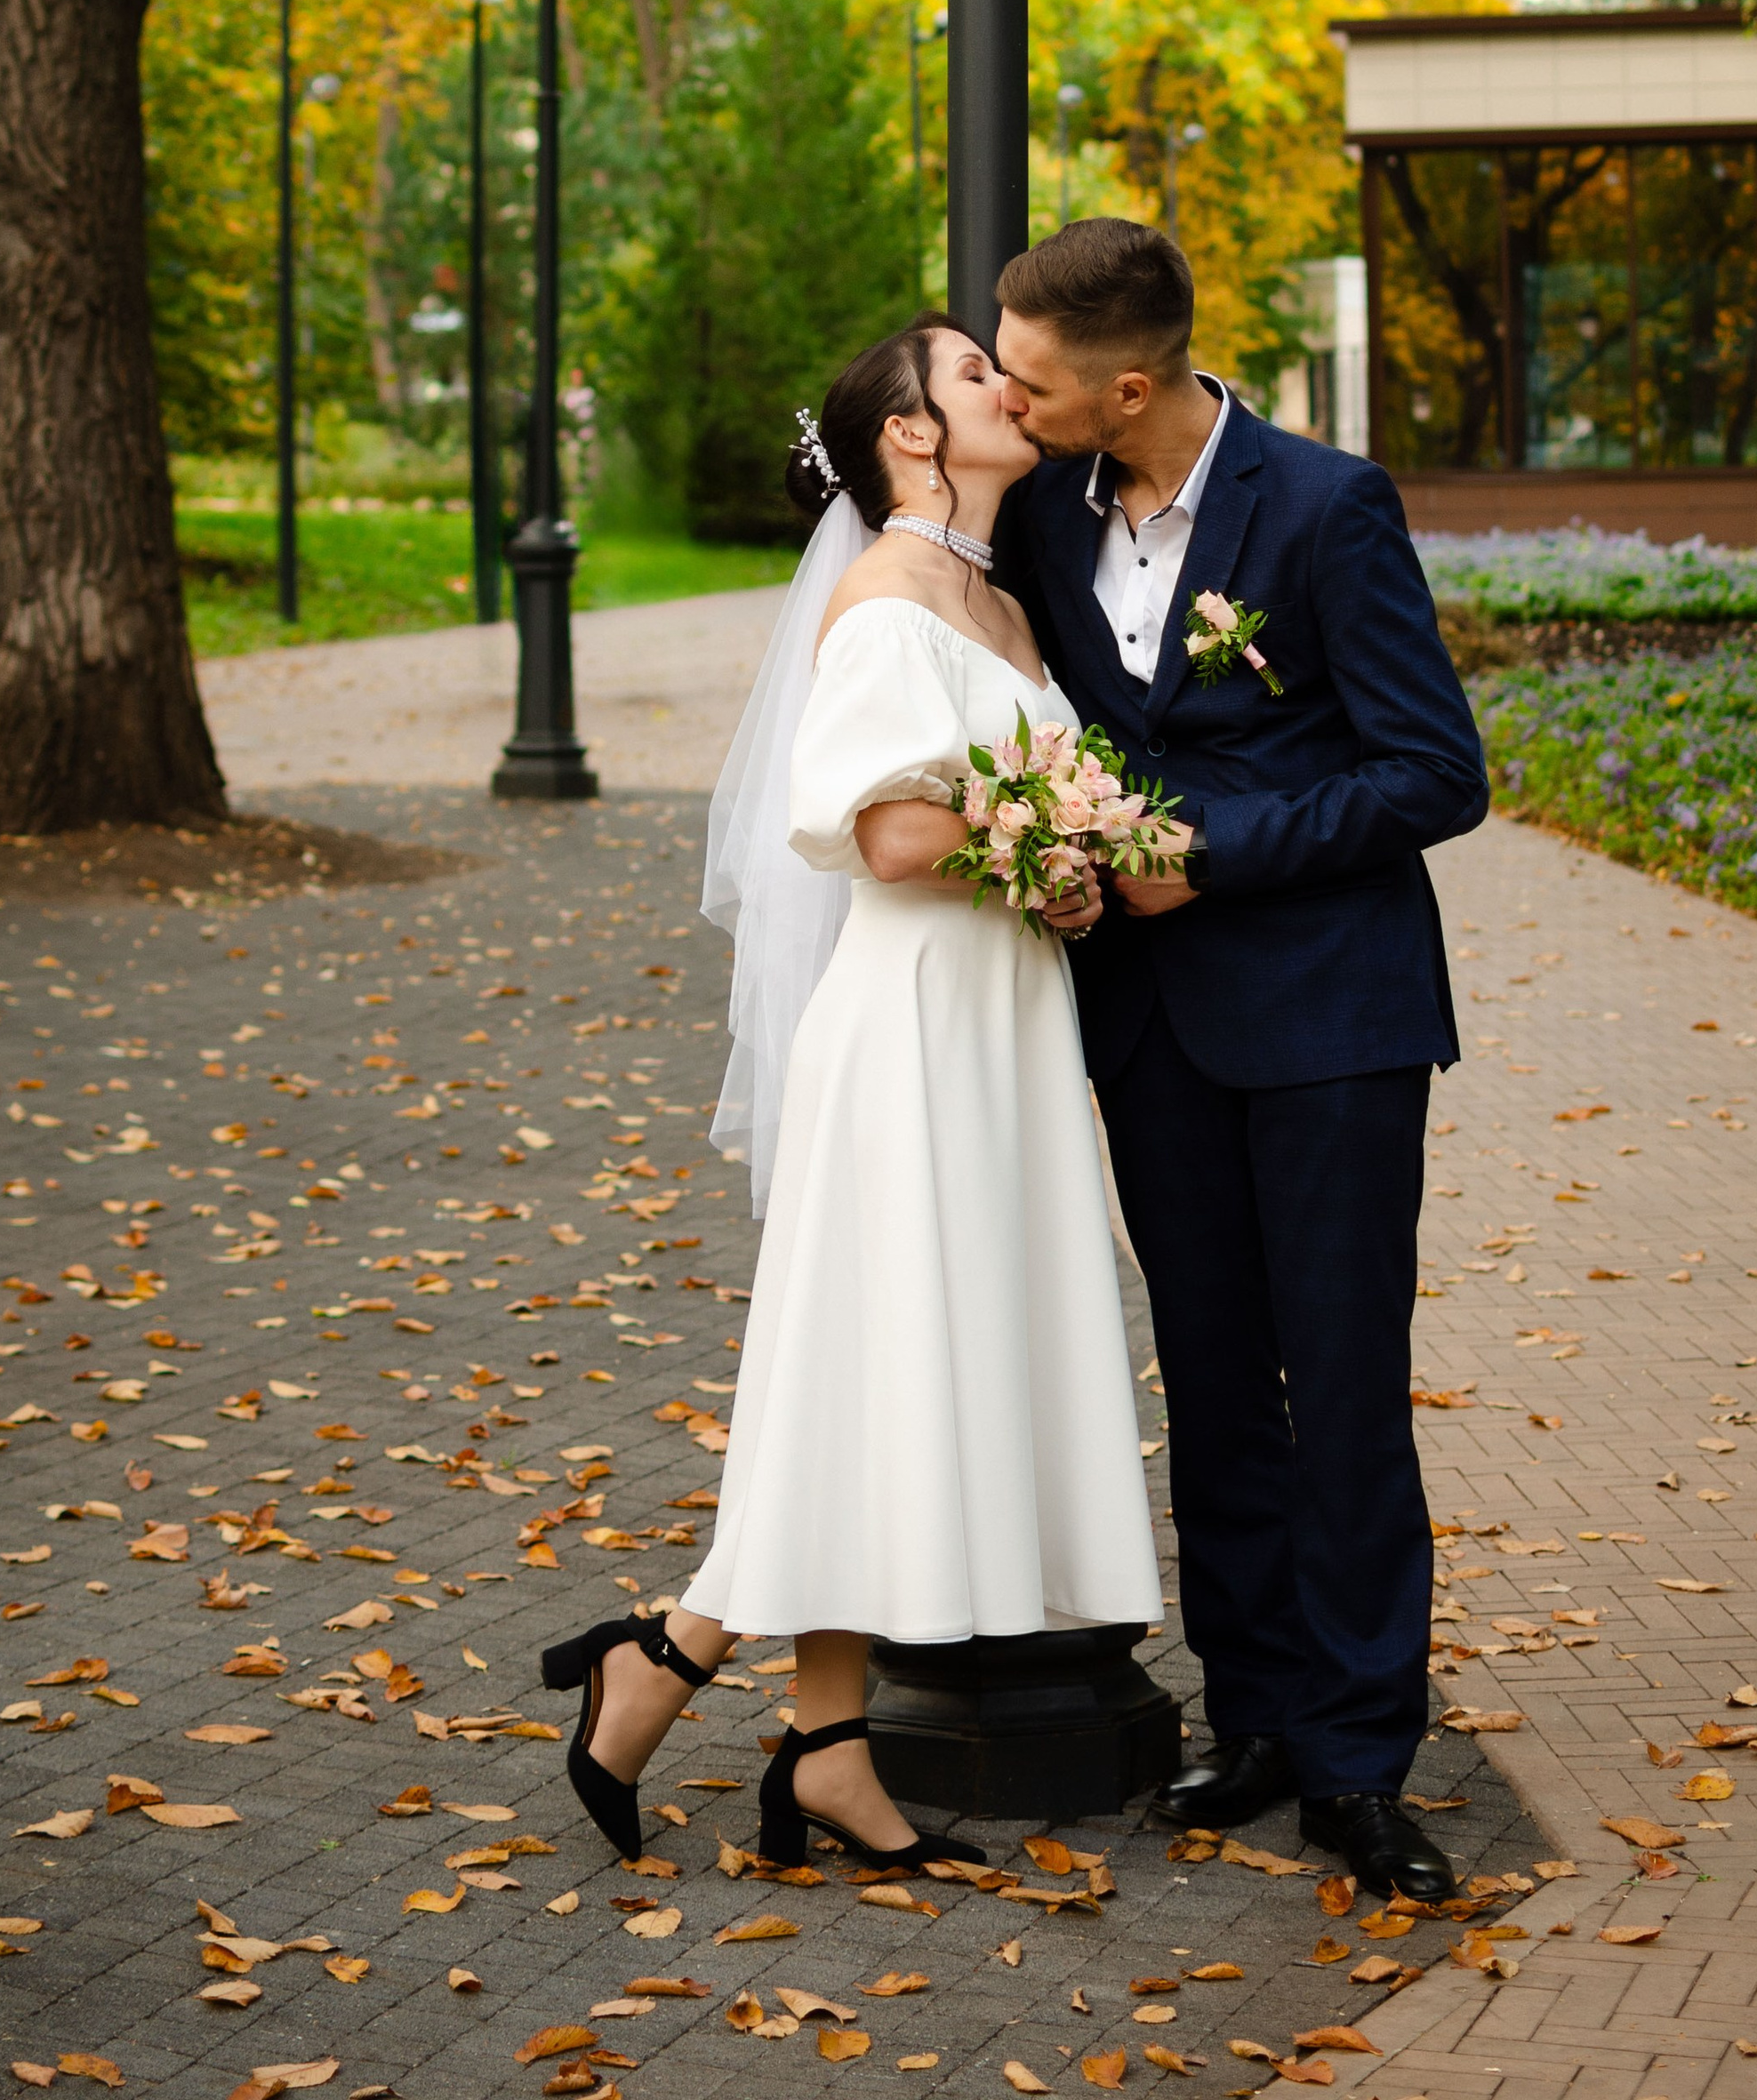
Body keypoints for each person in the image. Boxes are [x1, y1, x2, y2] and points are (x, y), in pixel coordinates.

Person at [541, 313, 1161, 1872]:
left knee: (875, 1381)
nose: (1003, 389)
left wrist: (1069, 872)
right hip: (911, 1033)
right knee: (862, 1373)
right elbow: (889, 839)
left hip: (998, 1018)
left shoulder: (1004, 598)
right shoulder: (888, 602)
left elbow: (1001, 807)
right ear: (907, 433)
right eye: (971, 375)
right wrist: (1048, 851)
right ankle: (675, 1664)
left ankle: (807, 1735)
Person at [990, 219, 1488, 1904]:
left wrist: (1210, 846)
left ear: (1128, 386)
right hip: (1153, 1024)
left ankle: (1362, 1762)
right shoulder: (1043, 520)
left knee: (1340, 1389)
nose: (1009, 390)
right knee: (1213, 1384)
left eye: (1032, 376)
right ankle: (1260, 1714)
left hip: (1335, 1016)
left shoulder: (1330, 506)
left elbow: (1436, 775)